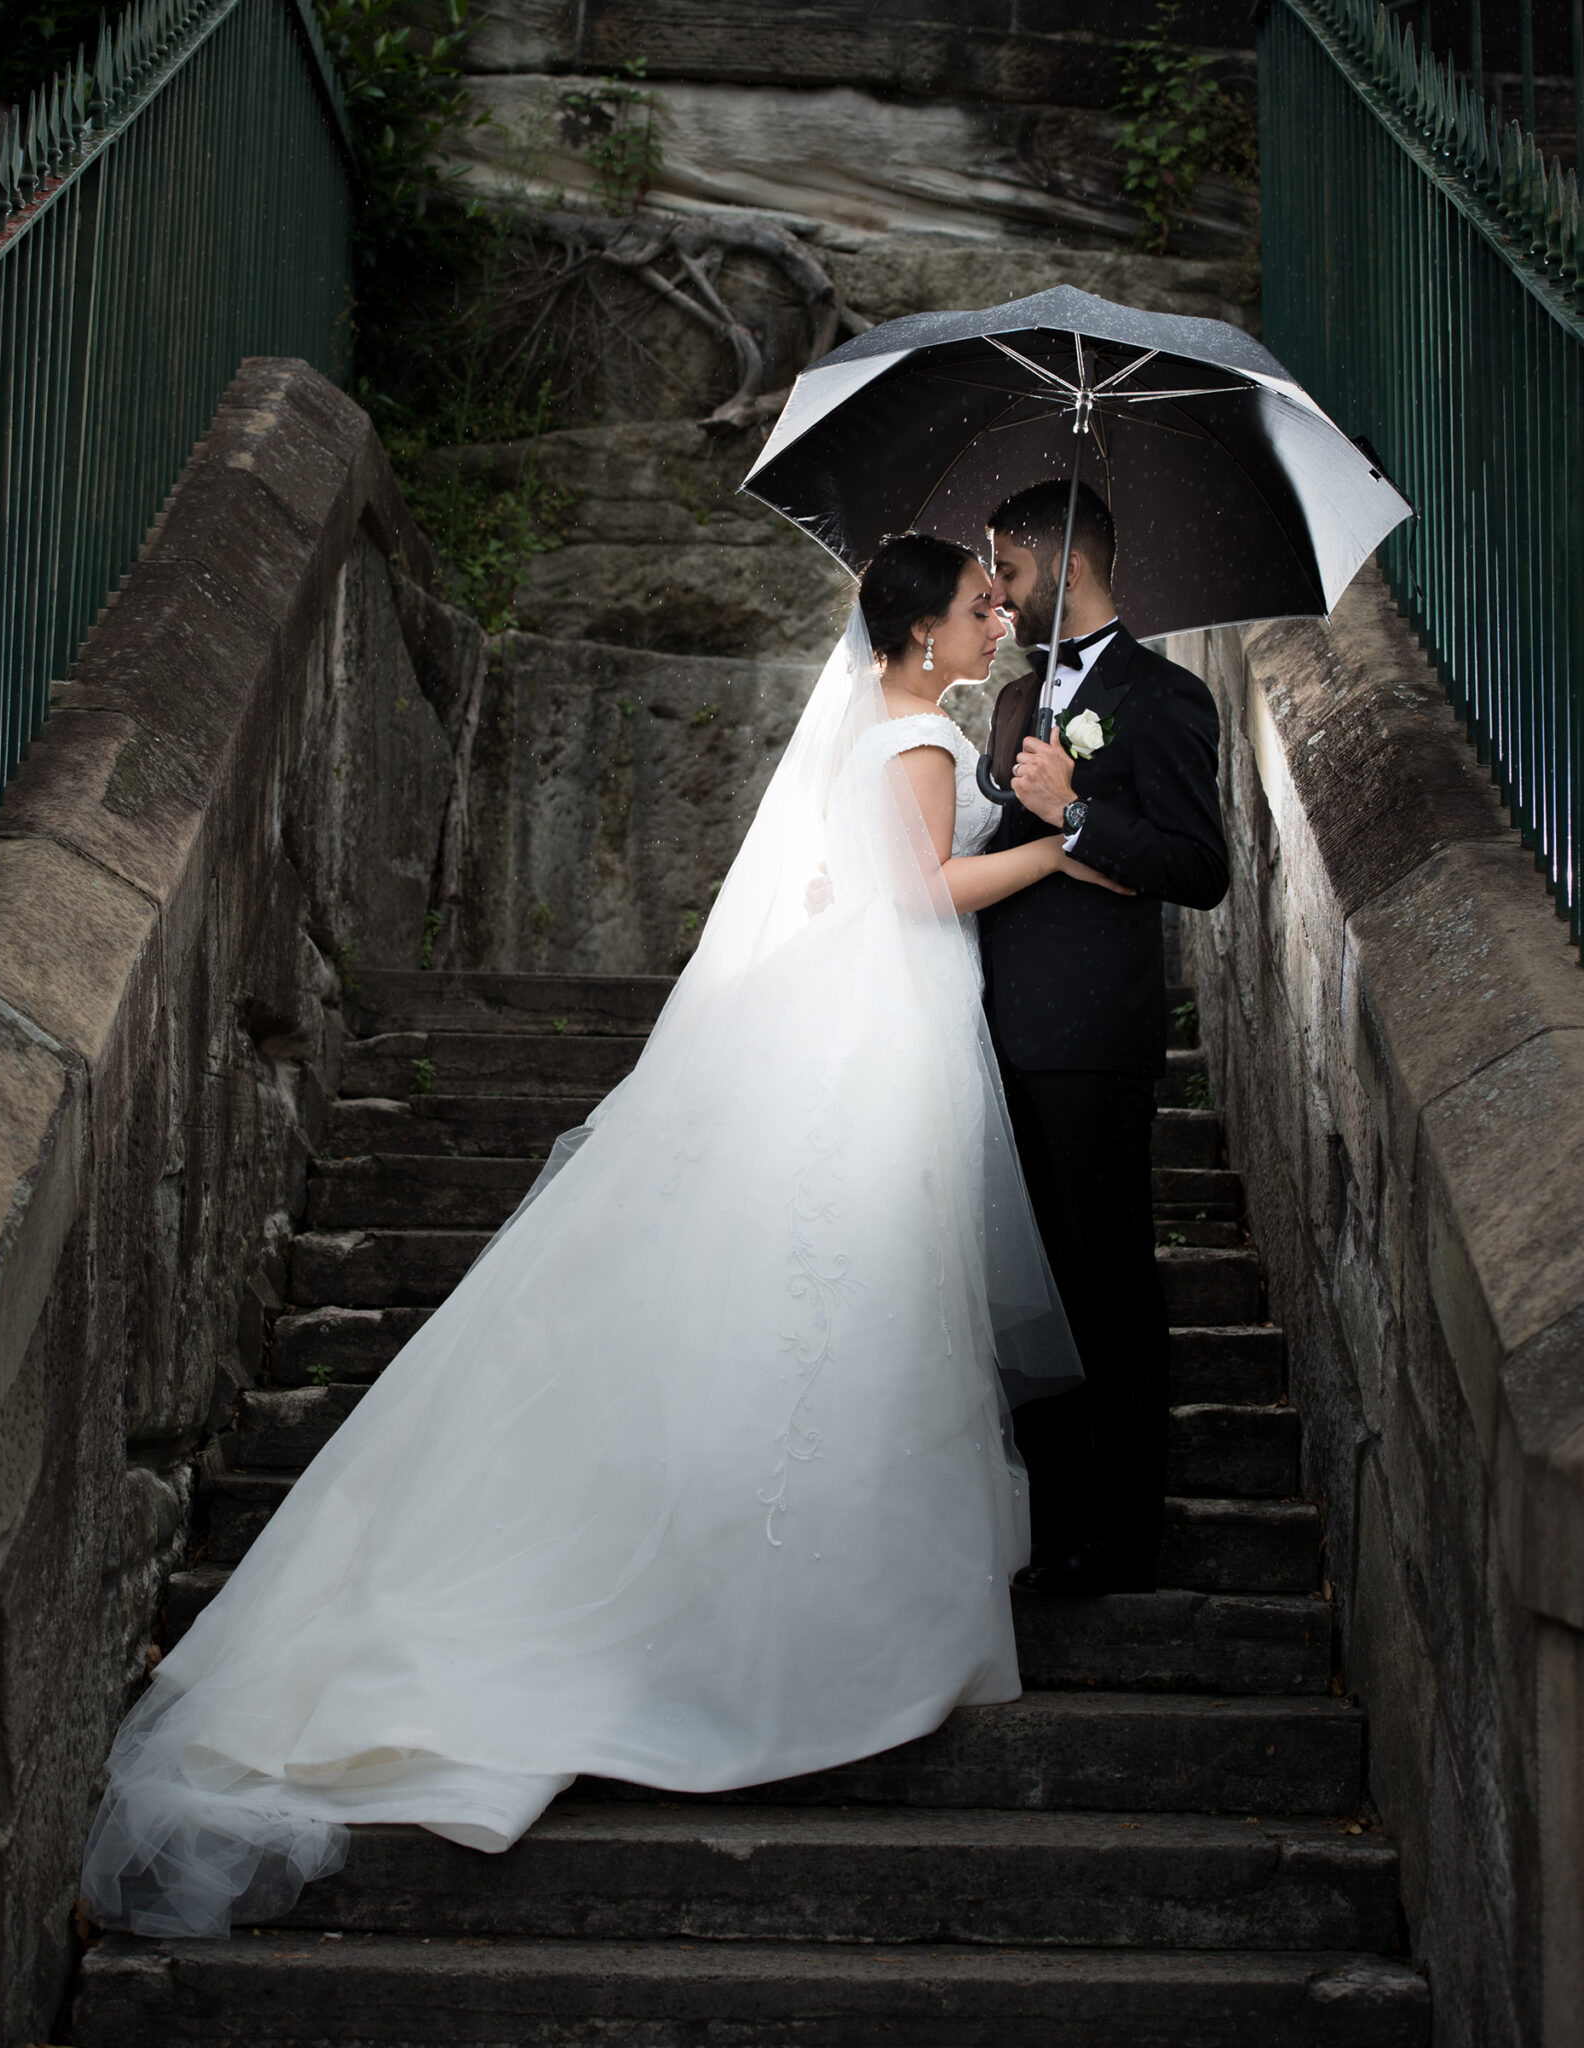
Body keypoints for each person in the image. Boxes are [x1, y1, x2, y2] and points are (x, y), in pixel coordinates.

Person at [80, 536, 1124, 1940]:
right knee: (856, 1288)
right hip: (885, 1026)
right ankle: (797, 1642)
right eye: (979, 609)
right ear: (922, 633)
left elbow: (850, 874)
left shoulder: (876, 724)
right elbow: (922, 890)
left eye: (1002, 604)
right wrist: (1061, 845)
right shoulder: (926, 730)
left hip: (851, 1013)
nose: (999, 624)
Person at [978, 481, 1230, 1599]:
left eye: (1010, 571)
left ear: (1065, 562)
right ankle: (1047, 1517)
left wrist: (1078, 807)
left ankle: (1119, 1538)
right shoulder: (1020, 695)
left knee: (1104, 1280)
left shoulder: (1164, 697)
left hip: (1093, 1040)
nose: (1000, 592)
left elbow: (1199, 867)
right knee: (1027, 1287)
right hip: (999, 1031)